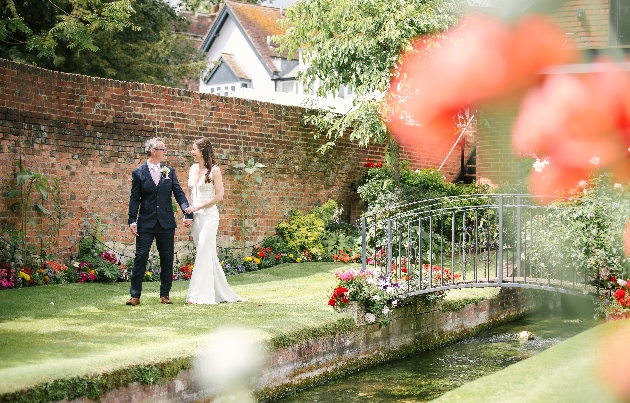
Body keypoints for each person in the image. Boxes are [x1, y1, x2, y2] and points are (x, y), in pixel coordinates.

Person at [126, 137, 193, 306]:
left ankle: (165, 295)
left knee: (167, 258)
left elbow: (178, 193)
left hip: (166, 222)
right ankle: (135, 295)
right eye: (163, 150)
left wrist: (187, 211)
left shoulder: (168, 171)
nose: (165, 153)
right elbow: (135, 199)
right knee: (140, 257)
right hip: (145, 223)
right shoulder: (139, 173)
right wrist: (132, 220)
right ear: (153, 151)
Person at [184, 138, 245, 304]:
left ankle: (197, 296)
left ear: (203, 151)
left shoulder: (214, 170)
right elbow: (188, 193)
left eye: (194, 149)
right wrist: (187, 214)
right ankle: (220, 292)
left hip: (209, 216)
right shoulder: (192, 169)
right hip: (195, 218)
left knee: (204, 250)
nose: (192, 152)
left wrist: (198, 207)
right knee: (206, 253)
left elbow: (219, 196)